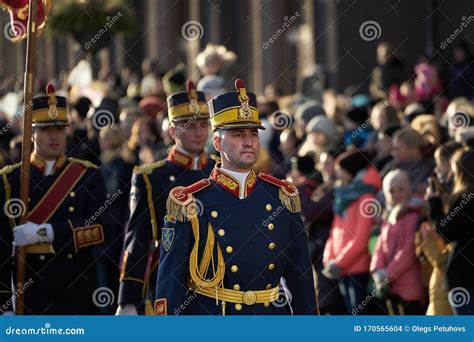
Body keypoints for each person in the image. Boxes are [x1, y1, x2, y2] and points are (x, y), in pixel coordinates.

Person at [155, 79, 316, 315]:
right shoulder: (190, 201)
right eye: (238, 134)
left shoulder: (282, 196)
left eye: (253, 133)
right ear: (218, 142)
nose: (249, 142)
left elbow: (300, 277)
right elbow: (171, 282)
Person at [0, 84, 110, 315]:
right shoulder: (10, 180)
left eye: (59, 129)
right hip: (30, 297)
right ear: (32, 132)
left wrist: (47, 232)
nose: (54, 136)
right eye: (46, 129)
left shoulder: (86, 176)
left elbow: (101, 230)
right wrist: (5, 306)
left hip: (77, 292)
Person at [117, 81, 215, 315]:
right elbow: (138, 239)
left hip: (216, 285)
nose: (199, 132)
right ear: (172, 131)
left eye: (204, 125)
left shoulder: (219, 172)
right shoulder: (151, 177)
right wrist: (127, 299)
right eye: (190, 126)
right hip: (170, 283)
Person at [323, 150, 382, 315]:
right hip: (341, 268)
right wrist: (329, 258)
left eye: (340, 169)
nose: (337, 173)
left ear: (351, 170)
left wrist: (339, 262)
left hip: (358, 268)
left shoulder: (366, 199)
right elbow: (335, 231)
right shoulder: (344, 196)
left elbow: (361, 238)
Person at [370, 169, 425, 315]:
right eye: (391, 191)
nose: (396, 194)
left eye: (401, 189)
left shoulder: (413, 216)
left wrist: (387, 275)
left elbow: (408, 250)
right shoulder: (389, 217)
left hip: (409, 286)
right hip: (390, 287)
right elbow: (379, 247)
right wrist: (377, 270)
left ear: (408, 189)